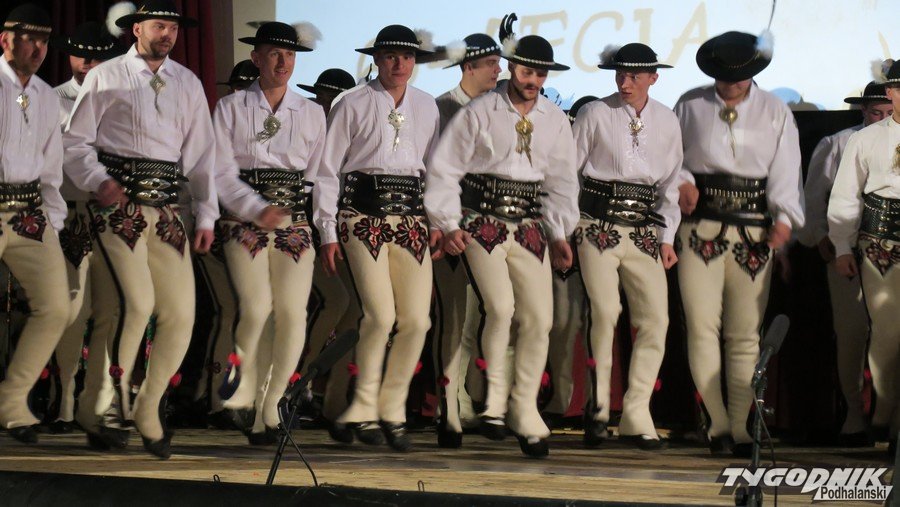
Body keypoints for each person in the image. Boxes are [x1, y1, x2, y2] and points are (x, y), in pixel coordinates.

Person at [63, 0, 218, 459]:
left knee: (182, 313)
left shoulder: (187, 82)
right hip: (118, 206)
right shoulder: (107, 75)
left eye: (172, 27)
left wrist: (206, 215)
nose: (167, 34)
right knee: (137, 304)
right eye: (158, 25)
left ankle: (148, 409)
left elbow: (202, 156)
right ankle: (110, 406)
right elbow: (76, 143)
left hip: (167, 209)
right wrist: (99, 181)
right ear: (136, 29)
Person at [425, 13, 578, 457]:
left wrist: (560, 232)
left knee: (540, 319)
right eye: (526, 71)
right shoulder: (476, 111)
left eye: (540, 74)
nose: (533, 81)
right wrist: (447, 224)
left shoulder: (554, 119)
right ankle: (472, 405)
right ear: (512, 68)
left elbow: (562, 181)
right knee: (491, 310)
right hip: (479, 222)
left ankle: (521, 409)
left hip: (529, 226)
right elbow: (443, 169)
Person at [674, 31, 803, 457]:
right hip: (700, 227)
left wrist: (784, 219)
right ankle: (716, 423)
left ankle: (741, 425)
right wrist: (683, 181)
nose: (730, 85)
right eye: (723, 77)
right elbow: (669, 158)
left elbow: (786, 171)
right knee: (702, 325)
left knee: (745, 333)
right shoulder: (690, 104)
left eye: (739, 78)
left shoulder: (775, 110)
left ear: (752, 73)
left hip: (753, 232)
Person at [315, 24, 439, 452]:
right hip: (361, 215)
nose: (399, 64)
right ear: (376, 59)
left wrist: (439, 222)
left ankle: (392, 408)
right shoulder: (351, 103)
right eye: (390, 56)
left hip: (411, 219)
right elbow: (327, 170)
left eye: (407, 56)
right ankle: (365, 408)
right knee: (380, 316)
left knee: (418, 321)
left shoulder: (426, 105)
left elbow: (434, 171)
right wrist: (327, 229)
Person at [213, 21, 324, 445]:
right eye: (274, 53)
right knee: (258, 306)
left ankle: (271, 406)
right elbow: (220, 172)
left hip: (293, 224)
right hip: (243, 221)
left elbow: (318, 175)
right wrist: (255, 209)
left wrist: (312, 221)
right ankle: (242, 387)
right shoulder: (231, 107)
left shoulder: (311, 112)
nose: (283, 62)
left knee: (294, 314)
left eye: (289, 54)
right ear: (256, 58)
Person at [572, 43, 682, 450]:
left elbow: (671, 184)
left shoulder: (667, 120)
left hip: (643, 230)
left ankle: (637, 412)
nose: (625, 82)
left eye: (634, 75)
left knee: (656, 319)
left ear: (654, 77)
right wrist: (566, 226)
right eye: (620, 74)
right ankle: (599, 406)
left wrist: (668, 237)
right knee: (605, 310)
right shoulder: (594, 113)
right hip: (596, 224)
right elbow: (568, 172)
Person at [799, 80, 892, 446]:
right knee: (852, 333)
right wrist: (824, 236)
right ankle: (854, 414)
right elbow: (814, 198)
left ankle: (889, 415)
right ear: (863, 110)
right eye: (876, 112)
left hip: (891, 250)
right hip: (849, 251)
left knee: (890, 333)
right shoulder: (839, 143)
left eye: (888, 112)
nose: (882, 118)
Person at [48, 10, 127, 435]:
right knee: (72, 309)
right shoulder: (53, 99)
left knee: (109, 310)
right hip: (71, 212)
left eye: (96, 58)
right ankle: (62, 400)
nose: (87, 64)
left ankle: (99, 401)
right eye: (81, 56)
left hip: (111, 216)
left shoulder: (119, 99)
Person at [0, 2, 71, 445]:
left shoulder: (45, 95)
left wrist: (53, 223)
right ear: (6, 40)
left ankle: (11, 402)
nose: (39, 48)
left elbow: (51, 168)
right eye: (30, 38)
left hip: (29, 211)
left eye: (44, 40)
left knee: (57, 307)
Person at [431, 32, 501, 448]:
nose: (499, 70)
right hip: (452, 229)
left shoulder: (498, 109)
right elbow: (434, 173)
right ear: (469, 66)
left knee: (481, 317)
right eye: (491, 63)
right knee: (454, 319)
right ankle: (449, 406)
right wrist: (443, 224)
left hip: (489, 230)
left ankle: (470, 396)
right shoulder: (441, 108)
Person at [828, 59, 900, 456]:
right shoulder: (865, 140)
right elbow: (844, 197)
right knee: (887, 333)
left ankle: (892, 420)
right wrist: (842, 246)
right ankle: (884, 413)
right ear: (889, 92)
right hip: (879, 246)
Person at [194, 59, 259, 430]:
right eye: (238, 87)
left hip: (251, 234)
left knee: (250, 311)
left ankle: (239, 395)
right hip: (216, 231)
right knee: (227, 310)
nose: (242, 94)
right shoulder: (218, 124)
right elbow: (205, 178)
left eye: (248, 87)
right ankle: (213, 398)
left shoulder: (265, 130)